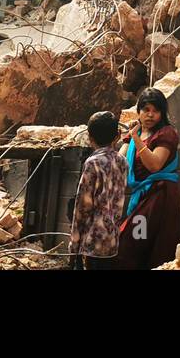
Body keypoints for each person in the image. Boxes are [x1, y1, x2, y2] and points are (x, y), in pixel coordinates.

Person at [116, 88, 180, 269]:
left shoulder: (166, 133)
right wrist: (129, 138)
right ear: (139, 112)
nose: (151, 115)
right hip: (143, 197)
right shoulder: (135, 133)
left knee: (139, 244)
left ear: (162, 113)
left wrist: (136, 139)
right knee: (136, 243)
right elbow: (120, 163)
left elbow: (154, 165)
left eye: (156, 110)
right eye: (146, 110)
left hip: (160, 198)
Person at [70, 111, 127, 271]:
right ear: (118, 135)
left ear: (90, 138)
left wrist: (74, 244)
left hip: (92, 242)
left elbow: (82, 206)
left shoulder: (92, 163)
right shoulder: (122, 161)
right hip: (112, 241)